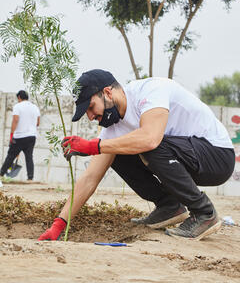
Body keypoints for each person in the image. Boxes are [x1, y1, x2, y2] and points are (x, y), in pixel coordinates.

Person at [38, 69, 235, 241]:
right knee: (113, 148)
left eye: (90, 107)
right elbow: (90, 178)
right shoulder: (113, 128)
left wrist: (92, 145)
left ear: (107, 92)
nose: (90, 117)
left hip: (217, 156)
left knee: (147, 144)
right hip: (185, 158)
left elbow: (150, 139)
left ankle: (204, 213)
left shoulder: (150, 91)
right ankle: (169, 207)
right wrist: (59, 224)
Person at [0, 90, 40, 181]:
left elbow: (15, 120)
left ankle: (1, 174)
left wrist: (11, 135)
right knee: (29, 157)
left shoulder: (18, 106)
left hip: (19, 137)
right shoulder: (35, 107)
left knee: (10, 156)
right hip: (31, 137)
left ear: (19, 97)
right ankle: (30, 178)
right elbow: (37, 123)